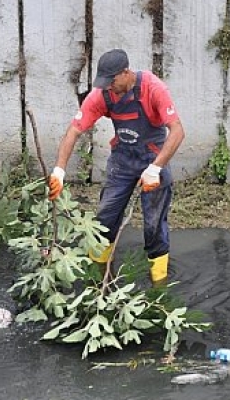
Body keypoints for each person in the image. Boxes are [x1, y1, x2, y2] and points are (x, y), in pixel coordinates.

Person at [47, 48, 185, 286]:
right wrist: (59, 170)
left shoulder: (153, 88)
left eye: (112, 82)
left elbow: (178, 131)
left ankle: (159, 284)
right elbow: (74, 131)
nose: (108, 87)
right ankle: (97, 280)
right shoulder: (102, 95)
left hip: (153, 158)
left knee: (153, 224)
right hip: (122, 160)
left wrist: (155, 169)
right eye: (105, 83)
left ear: (125, 73)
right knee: (104, 219)